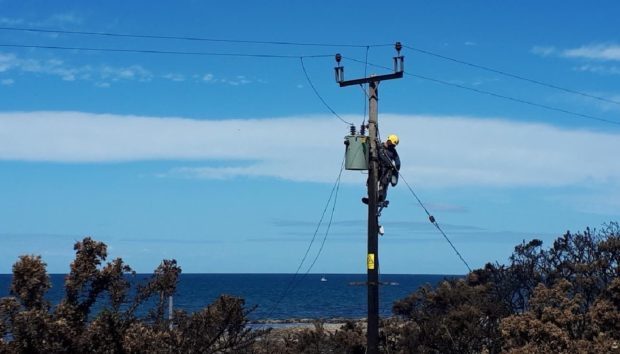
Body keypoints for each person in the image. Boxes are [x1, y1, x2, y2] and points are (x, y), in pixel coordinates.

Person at [362, 134, 400, 207]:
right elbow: (374, 153)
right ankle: (371, 198)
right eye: (392, 144)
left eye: (394, 145)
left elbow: (398, 162)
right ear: (389, 141)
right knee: (370, 182)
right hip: (377, 168)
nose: (393, 146)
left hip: (387, 170)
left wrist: (396, 168)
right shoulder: (379, 147)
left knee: (383, 184)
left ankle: (381, 199)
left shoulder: (393, 151)